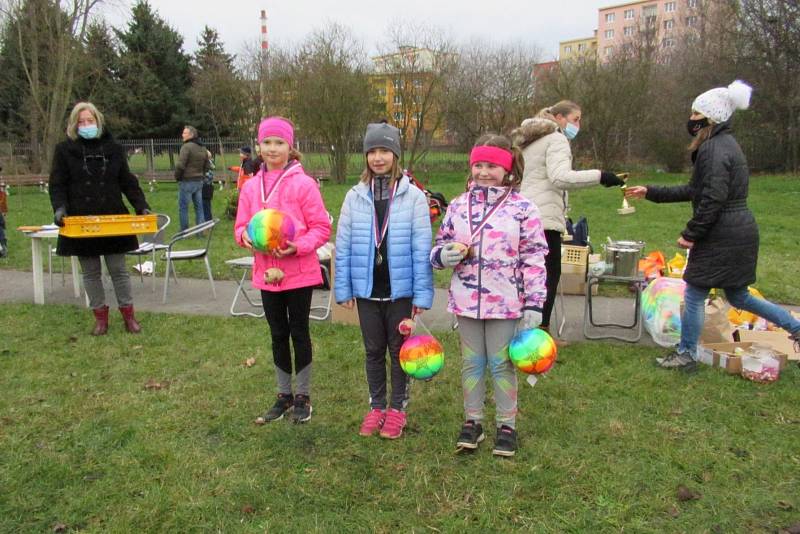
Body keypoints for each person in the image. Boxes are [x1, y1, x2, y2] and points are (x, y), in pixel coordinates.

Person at [625, 80, 800, 369]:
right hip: (737, 229)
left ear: (710, 117)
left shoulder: (714, 150)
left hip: (723, 232)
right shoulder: (722, 145)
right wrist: (651, 191)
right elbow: (695, 190)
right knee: (738, 295)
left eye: (695, 114)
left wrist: (692, 234)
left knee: (694, 292)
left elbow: (712, 198)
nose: (691, 120)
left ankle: (687, 354)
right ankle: (795, 328)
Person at [430, 133, 548, 457]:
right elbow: (439, 246)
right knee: (471, 363)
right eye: (478, 164)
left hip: (506, 303)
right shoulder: (457, 206)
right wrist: (443, 257)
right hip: (466, 301)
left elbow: (535, 257)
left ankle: (507, 425)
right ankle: (473, 422)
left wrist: (535, 303)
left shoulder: (523, 209)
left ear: (507, 169)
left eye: (492, 166)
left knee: (501, 364)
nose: (484, 172)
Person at [334, 122, 434, 440]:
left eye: (384, 151)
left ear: (395, 154)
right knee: (373, 350)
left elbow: (422, 248)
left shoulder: (414, 197)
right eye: (372, 151)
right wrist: (344, 287)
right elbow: (345, 243)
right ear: (365, 155)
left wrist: (421, 294)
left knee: (399, 351)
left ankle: (398, 408)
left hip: (400, 291)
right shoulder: (354, 196)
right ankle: (377, 406)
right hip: (367, 290)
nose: (378, 157)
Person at [234, 117, 331, 423]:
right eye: (267, 143)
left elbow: (321, 228)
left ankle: (303, 396)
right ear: (259, 147)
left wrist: (298, 246)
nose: (273, 149)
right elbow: (240, 227)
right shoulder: (251, 188)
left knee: (298, 331)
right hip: (267, 273)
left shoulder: (304, 184)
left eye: (279, 143)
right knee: (277, 333)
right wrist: (245, 237)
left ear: (291, 147)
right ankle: (283, 395)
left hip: (299, 272)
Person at [511, 101, 626, 344]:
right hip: (544, 219)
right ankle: (539, 334)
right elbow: (560, 177)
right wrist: (601, 176)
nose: (578, 125)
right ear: (560, 118)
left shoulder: (531, 140)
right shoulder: (555, 139)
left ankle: (523, 328)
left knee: (527, 275)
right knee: (548, 275)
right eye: (576, 119)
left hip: (522, 215)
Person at [49, 102, 150, 335]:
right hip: (81, 222)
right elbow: (57, 184)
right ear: (74, 125)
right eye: (81, 122)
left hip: (112, 218)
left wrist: (141, 206)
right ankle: (100, 318)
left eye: (90, 121)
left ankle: (128, 315)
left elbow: (127, 180)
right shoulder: (64, 150)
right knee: (91, 272)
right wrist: (59, 208)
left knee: (118, 269)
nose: (86, 125)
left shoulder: (113, 148)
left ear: (98, 121)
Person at [174, 125, 209, 231]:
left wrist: (177, 176)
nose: (182, 135)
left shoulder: (186, 147)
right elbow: (207, 165)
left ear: (191, 135)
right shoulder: (202, 147)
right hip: (199, 181)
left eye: (185, 133)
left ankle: (184, 231)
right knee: (199, 208)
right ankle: (200, 231)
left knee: (183, 207)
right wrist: (202, 175)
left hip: (187, 181)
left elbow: (180, 165)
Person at [201, 149, 215, 222]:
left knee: (205, 205)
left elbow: (208, 176)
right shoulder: (210, 163)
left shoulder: (207, 165)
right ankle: (208, 220)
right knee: (207, 205)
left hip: (205, 187)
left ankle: (208, 221)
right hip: (209, 187)